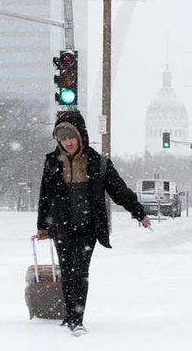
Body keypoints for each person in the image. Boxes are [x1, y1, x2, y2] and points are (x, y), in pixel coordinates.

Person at [33, 111, 151, 336]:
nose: (67, 142)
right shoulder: (52, 162)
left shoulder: (98, 163)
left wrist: (138, 212)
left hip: (87, 227)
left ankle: (77, 319)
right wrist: (42, 227)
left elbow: (119, 191)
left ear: (81, 136)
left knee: (80, 271)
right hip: (62, 227)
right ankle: (69, 315)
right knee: (67, 272)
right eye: (63, 138)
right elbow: (45, 196)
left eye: (71, 137)